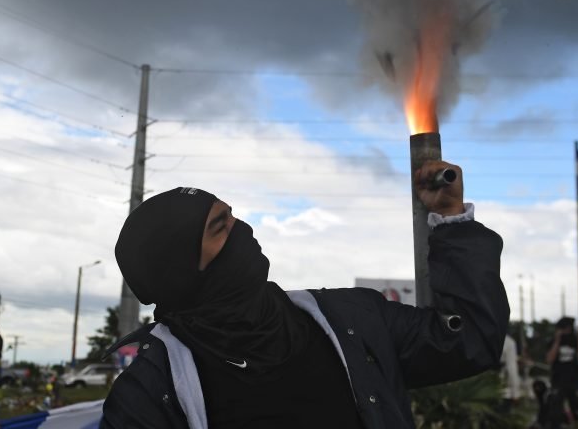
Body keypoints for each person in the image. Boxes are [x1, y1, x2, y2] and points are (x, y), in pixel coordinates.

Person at [101, 161, 510, 429]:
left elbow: (470, 339)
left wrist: (451, 219)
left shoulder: (350, 318)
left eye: (234, 216)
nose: (244, 231)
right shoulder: (150, 392)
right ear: (181, 268)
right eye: (220, 227)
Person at [545, 317, 578, 424]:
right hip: (558, 379)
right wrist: (557, 340)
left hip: (574, 380)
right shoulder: (553, 341)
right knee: (555, 410)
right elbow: (549, 359)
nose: (567, 331)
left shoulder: (575, 341)